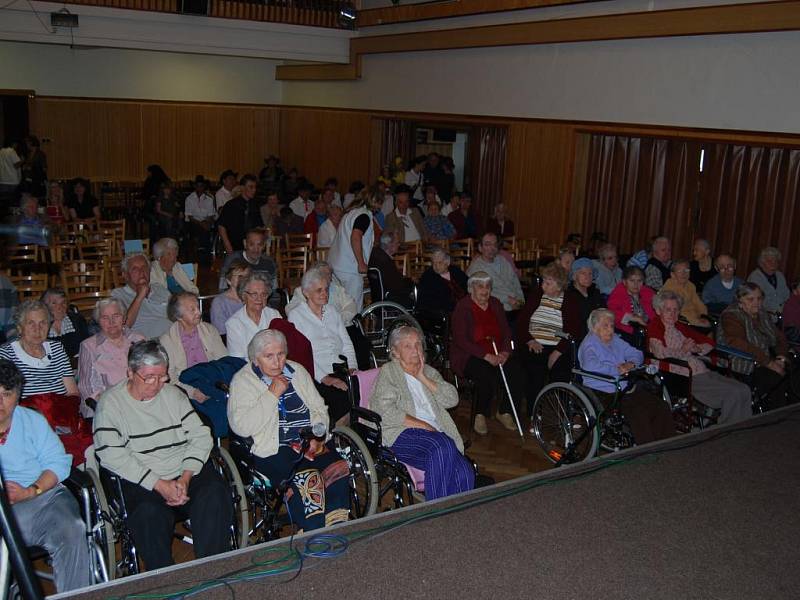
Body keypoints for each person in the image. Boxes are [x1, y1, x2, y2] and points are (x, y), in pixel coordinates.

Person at [93, 340, 232, 570]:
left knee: (215, 493)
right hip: (143, 476)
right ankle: (165, 580)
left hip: (182, 471)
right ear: (130, 373)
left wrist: (185, 477)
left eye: (162, 377)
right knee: (149, 515)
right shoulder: (111, 405)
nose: (157, 384)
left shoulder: (173, 396)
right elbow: (112, 455)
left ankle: (213, 571)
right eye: (149, 377)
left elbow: (200, 436)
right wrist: (158, 484)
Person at [227, 329, 349, 530]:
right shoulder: (243, 381)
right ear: (256, 359)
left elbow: (319, 408)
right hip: (273, 447)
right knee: (308, 477)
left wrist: (317, 436)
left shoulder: (297, 371)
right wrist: (272, 394)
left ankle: (336, 525)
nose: (277, 362)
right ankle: (314, 530)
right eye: (269, 356)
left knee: (338, 466)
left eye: (281, 354)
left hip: (308, 440)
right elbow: (242, 426)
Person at [0, 359, 91, 593]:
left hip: (41, 498)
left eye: (6, 393)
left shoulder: (32, 421)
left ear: (18, 396)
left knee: (71, 528)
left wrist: (31, 490)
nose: (0, 402)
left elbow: (57, 462)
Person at [372, 326, 474, 500]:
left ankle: (456, 520)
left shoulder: (429, 372)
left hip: (436, 436)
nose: (415, 350)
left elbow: (452, 399)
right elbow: (384, 410)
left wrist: (422, 377)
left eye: (418, 344)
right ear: (395, 352)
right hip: (400, 433)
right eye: (408, 346)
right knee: (442, 446)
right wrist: (424, 426)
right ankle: (434, 515)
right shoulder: (389, 372)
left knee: (465, 472)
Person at [648, 290, 752, 424]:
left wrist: (696, 349)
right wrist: (683, 350)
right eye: (668, 310)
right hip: (683, 375)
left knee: (744, 389)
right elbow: (660, 354)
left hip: (700, 369)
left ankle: (745, 428)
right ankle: (728, 430)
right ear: (658, 311)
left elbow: (705, 343)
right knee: (733, 393)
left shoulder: (680, 327)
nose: (673, 314)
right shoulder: (655, 328)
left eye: (676, 309)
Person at [578, 309, 675, 444]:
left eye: (612, 325)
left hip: (625, 386)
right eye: (605, 326)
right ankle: (648, 450)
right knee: (639, 412)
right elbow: (590, 366)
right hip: (604, 391)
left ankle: (669, 444)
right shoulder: (589, 344)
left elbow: (637, 353)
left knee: (661, 406)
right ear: (594, 327)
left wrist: (631, 363)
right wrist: (617, 370)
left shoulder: (615, 340)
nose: (610, 330)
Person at [450, 272, 527, 435]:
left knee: (516, 371)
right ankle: (480, 413)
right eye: (480, 286)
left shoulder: (496, 304)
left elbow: (506, 332)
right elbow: (461, 340)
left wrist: (505, 352)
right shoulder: (462, 307)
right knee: (485, 373)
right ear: (471, 288)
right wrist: (486, 356)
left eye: (487, 286)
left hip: (497, 351)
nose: (484, 290)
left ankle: (505, 411)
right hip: (470, 354)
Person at [288, 269, 357, 423]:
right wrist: (325, 378)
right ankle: (338, 435)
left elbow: (346, 343)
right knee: (344, 399)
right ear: (306, 293)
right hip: (316, 374)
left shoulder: (332, 311)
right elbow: (302, 355)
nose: (325, 293)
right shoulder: (296, 316)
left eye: (326, 289)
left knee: (365, 391)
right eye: (319, 290)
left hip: (341, 368)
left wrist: (353, 367)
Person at [717, 283, 792, 410]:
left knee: (793, 369)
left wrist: (781, 358)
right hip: (744, 360)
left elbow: (780, 337)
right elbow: (739, 344)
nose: (756, 303)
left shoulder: (762, 314)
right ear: (740, 301)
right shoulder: (731, 316)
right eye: (750, 299)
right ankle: (773, 416)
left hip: (767, 357)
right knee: (775, 378)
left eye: (759, 298)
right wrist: (769, 363)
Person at [514, 263, 573, 420]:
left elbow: (573, 331)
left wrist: (558, 351)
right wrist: (530, 340)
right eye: (543, 281)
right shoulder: (537, 295)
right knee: (536, 373)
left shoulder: (568, 300)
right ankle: (535, 414)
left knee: (561, 371)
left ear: (559, 285)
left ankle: (564, 415)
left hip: (558, 346)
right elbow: (521, 323)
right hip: (535, 344)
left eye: (548, 282)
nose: (543, 285)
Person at [77, 298, 144, 416]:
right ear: (98, 320)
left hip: (140, 401)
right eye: (105, 318)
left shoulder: (139, 340)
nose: (111, 322)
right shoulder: (89, 346)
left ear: (124, 318)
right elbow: (86, 388)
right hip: (106, 407)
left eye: (116, 316)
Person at [160, 292, 228, 406]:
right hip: (187, 390)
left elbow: (224, 362)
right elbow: (170, 378)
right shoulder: (167, 340)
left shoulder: (210, 330)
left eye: (197, 307)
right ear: (178, 316)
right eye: (192, 309)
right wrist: (192, 392)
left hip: (214, 382)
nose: (199, 312)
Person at [0, 300, 78, 398]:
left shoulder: (57, 348)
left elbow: (73, 393)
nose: (37, 329)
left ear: (49, 326)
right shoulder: (5, 354)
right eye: (31, 323)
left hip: (60, 410)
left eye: (43, 323)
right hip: (24, 412)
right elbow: (5, 400)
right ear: (20, 328)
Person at [327, 191, 374, 312]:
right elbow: (355, 237)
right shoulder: (363, 215)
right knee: (352, 311)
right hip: (349, 269)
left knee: (337, 307)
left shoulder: (350, 213)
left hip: (335, 265)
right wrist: (361, 263)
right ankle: (352, 331)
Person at [111, 253, 172, 339]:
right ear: (125, 275)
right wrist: (139, 296)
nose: (141, 271)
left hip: (175, 339)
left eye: (144, 267)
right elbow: (123, 327)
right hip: (148, 345)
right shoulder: (118, 295)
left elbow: (177, 313)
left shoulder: (159, 288)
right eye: (135, 269)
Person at [225, 272, 281, 359]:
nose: (259, 298)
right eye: (254, 294)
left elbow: (283, 346)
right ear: (244, 295)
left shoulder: (274, 315)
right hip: (249, 369)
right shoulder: (234, 324)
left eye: (263, 294)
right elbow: (238, 360)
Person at [466, 232, 524, 314]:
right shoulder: (476, 269)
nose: (492, 248)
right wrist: (508, 299)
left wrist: (521, 301)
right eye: (487, 244)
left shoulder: (503, 261)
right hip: (495, 310)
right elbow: (480, 294)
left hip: (516, 305)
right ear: (480, 248)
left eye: (495, 244)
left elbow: (516, 283)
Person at [286, 262, 358, 326]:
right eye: (323, 274)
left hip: (340, 326)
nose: (328, 277)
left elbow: (351, 305)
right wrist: (311, 318)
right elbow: (290, 309)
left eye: (329, 274)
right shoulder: (303, 290)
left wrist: (339, 318)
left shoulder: (337, 289)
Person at [219, 228, 278, 293]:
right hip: (235, 302)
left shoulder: (269, 263)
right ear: (245, 243)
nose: (256, 249)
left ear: (264, 245)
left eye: (259, 245)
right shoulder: (232, 260)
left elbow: (274, 292)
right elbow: (222, 289)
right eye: (251, 244)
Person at [608, 266, 656, 345]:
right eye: (632, 280)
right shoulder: (618, 294)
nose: (636, 284)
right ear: (624, 282)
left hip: (649, 328)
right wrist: (633, 317)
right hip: (627, 331)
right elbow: (611, 313)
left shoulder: (648, 292)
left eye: (639, 281)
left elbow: (658, 309)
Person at [217, 174, 263, 254]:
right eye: (251, 187)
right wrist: (228, 247)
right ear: (242, 188)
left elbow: (258, 226)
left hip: (251, 247)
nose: (254, 190)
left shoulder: (255, 205)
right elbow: (221, 226)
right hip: (235, 246)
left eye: (255, 187)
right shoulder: (231, 205)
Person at [563, 258, 605, 345]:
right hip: (579, 339)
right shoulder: (568, 295)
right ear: (574, 276)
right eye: (583, 273)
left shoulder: (595, 292)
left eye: (590, 273)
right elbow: (572, 325)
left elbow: (605, 313)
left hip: (601, 334)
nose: (588, 277)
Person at [368, 232, 415, 307]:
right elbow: (397, 285)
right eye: (397, 242)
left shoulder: (374, 256)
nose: (399, 245)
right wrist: (411, 281)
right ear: (389, 245)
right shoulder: (385, 262)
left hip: (378, 299)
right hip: (391, 300)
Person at [41, 288, 90, 357]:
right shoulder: (40, 325)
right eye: (54, 303)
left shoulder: (77, 320)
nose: (60, 307)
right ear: (45, 306)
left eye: (63, 303)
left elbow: (87, 347)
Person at [417, 248, 468, 314]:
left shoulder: (456, 271)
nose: (436, 266)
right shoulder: (428, 277)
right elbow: (431, 302)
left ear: (447, 262)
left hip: (464, 306)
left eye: (439, 262)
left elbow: (468, 285)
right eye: (433, 263)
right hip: (444, 313)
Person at [660, 259, 710, 327]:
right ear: (673, 274)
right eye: (680, 271)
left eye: (686, 270)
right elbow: (676, 312)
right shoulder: (669, 288)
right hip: (683, 321)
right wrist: (696, 321)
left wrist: (704, 316)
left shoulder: (691, 285)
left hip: (696, 318)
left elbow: (698, 303)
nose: (684, 273)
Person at [211, 260, 251, 336]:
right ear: (229, 280)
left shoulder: (253, 298)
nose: (245, 279)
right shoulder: (219, 302)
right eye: (240, 276)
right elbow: (221, 333)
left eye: (247, 276)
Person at [747, 246, 790, 315]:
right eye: (769, 261)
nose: (773, 264)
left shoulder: (780, 276)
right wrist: (777, 310)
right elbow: (757, 301)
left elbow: (787, 296)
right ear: (762, 262)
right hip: (763, 316)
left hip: (782, 315)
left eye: (776, 261)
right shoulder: (755, 277)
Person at [184, 175, 216, 262]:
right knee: (202, 231)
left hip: (206, 221)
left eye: (201, 186)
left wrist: (207, 223)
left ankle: (204, 254)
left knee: (206, 230)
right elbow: (189, 216)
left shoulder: (209, 199)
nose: (199, 188)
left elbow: (211, 215)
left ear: (204, 186)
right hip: (193, 222)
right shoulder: (189, 199)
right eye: (197, 185)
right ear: (194, 186)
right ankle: (203, 253)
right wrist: (201, 223)